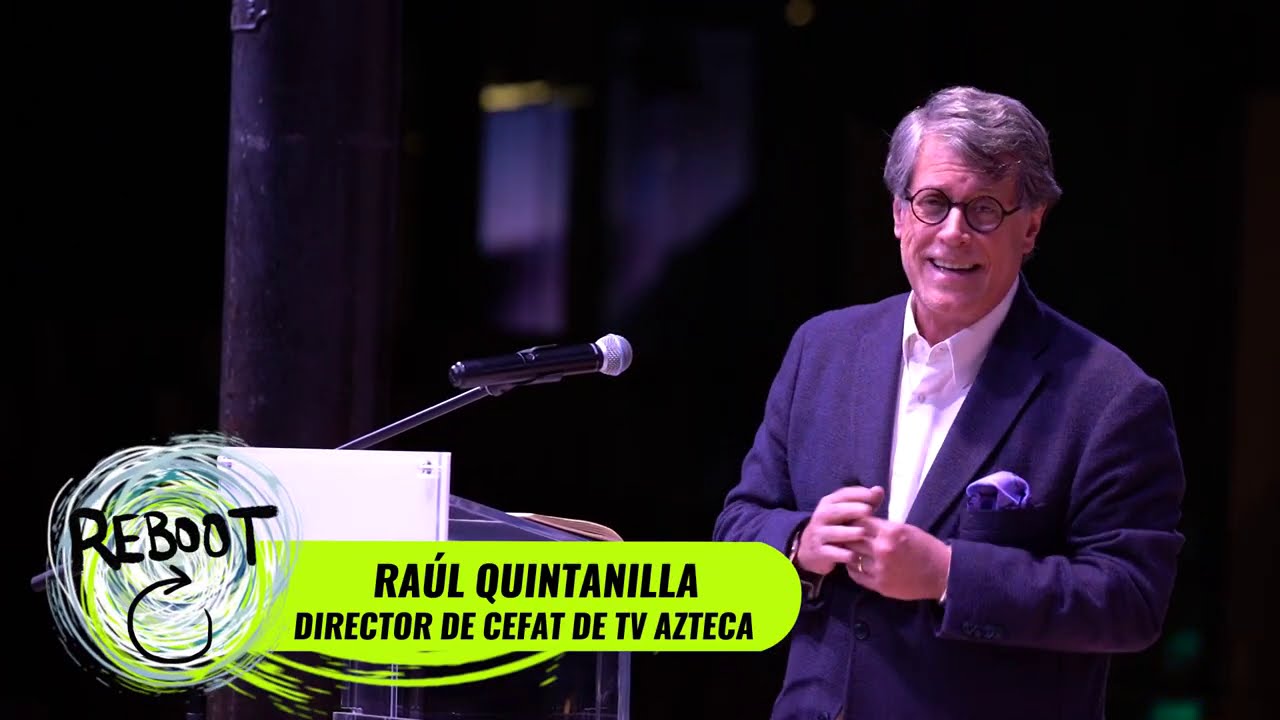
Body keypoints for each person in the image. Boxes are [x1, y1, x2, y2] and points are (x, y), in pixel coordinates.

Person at [712, 85, 1186, 720]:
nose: (953, 233)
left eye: (984, 209)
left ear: (1031, 226)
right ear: (899, 214)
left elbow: (1131, 600)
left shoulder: (1111, 397)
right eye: (932, 203)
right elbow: (740, 522)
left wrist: (947, 574)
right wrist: (800, 541)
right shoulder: (821, 349)